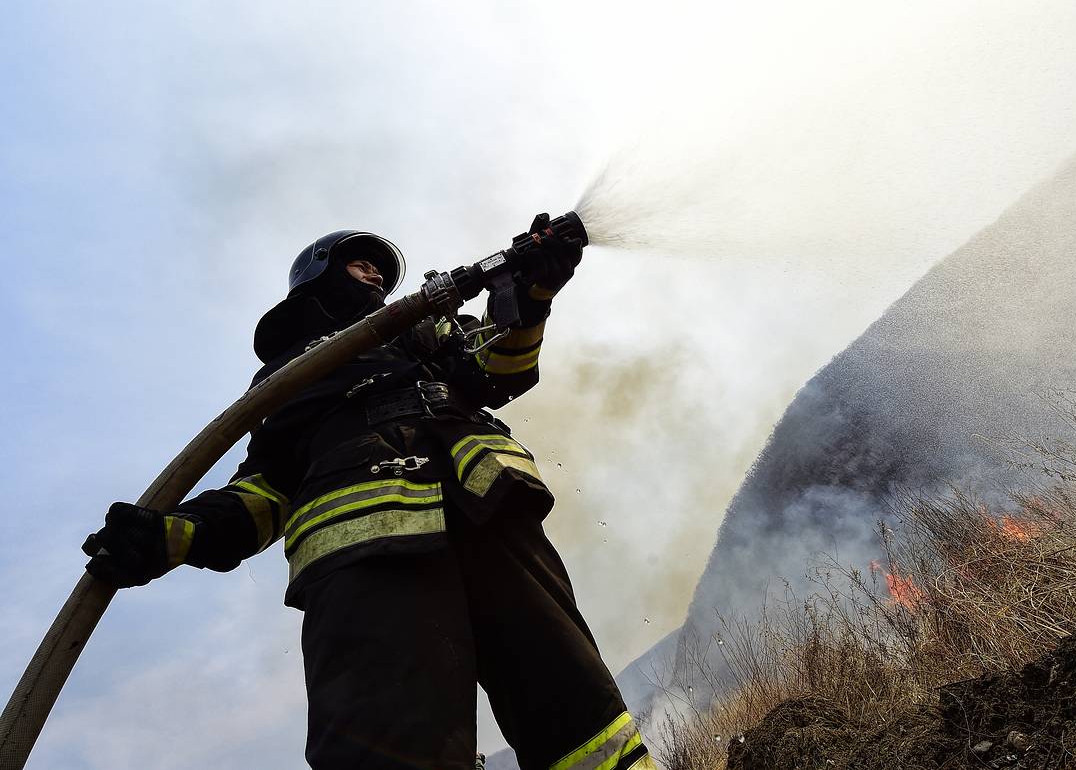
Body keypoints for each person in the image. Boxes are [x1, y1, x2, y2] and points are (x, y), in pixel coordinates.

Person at [82, 218, 655, 770]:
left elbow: (498, 371)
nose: (378, 279)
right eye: (361, 265)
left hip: (488, 511)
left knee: (574, 702)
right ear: (317, 277)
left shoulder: (422, 334)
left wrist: (530, 298)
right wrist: (173, 535)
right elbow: (266, 489)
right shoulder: (288, 376)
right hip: (365, 551)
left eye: (383, 274)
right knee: (388, 736)